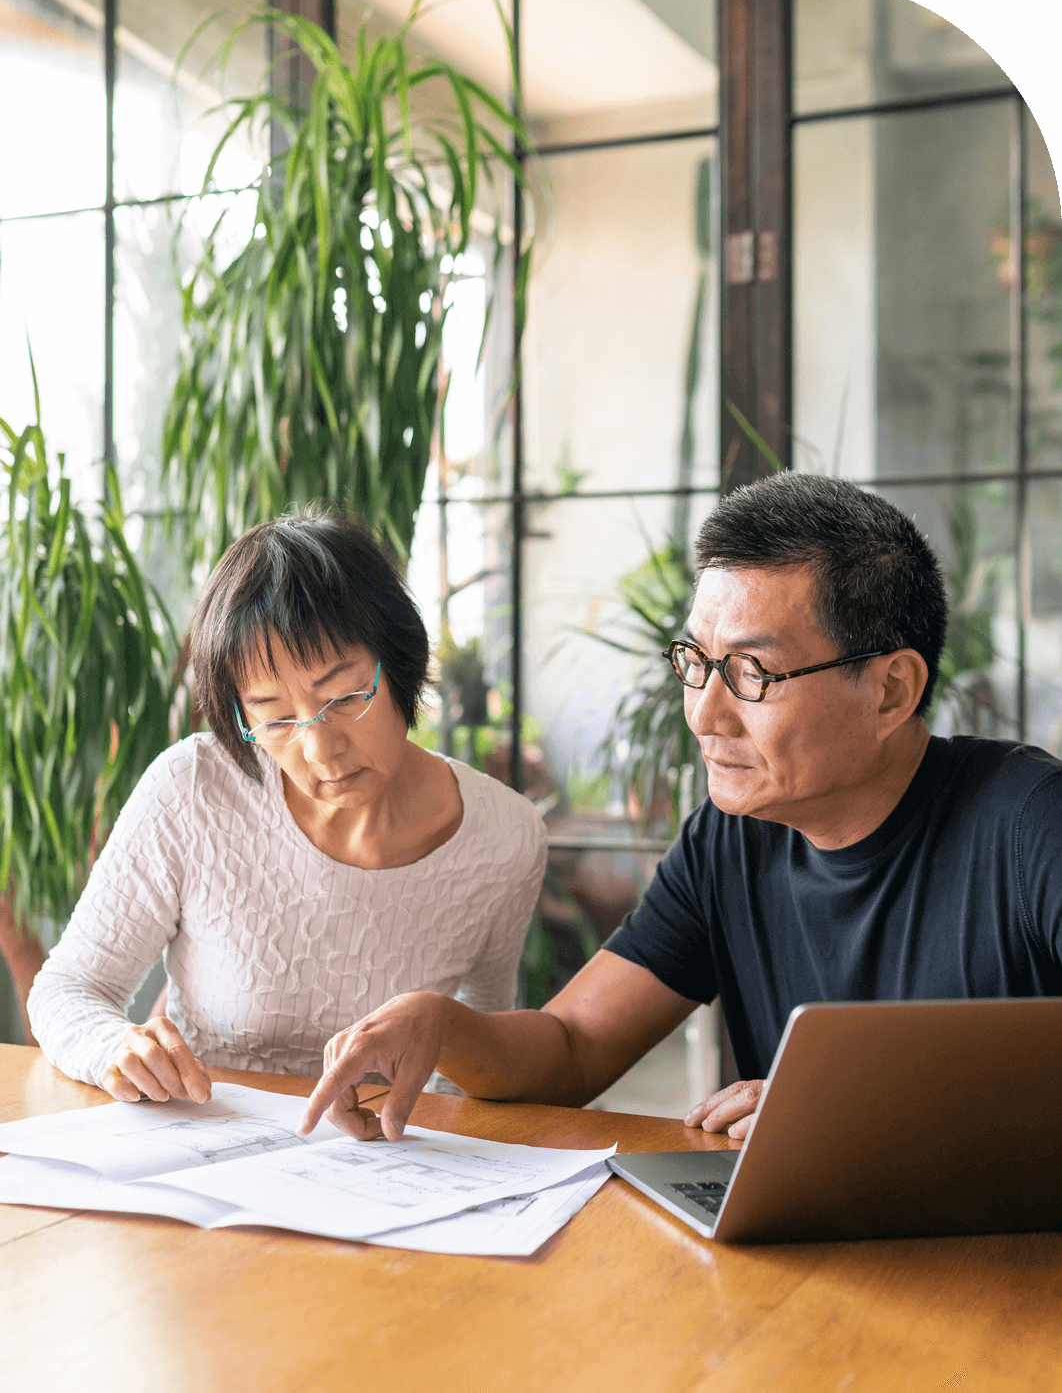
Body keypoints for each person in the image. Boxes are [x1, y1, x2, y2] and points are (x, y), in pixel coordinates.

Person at [297, 473, 1062, 1144]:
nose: (703, 714)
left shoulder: (1031, 824)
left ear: (891, 689)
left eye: (753, 673)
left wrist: (868, 1113)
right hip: (819, 1263)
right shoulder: (731, 841)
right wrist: (443, 1024)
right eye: (697, 663)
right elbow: (572, 1047)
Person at [28, 509, 546, 1102]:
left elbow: (482, 1059)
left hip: (387, 1163)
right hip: (207, 1147)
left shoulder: (507, 835)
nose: (320, 748)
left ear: (399, 659)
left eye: (345, 696)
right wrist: (111, 1046)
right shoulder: (192, 788)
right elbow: (69, 986)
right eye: (274, 719)